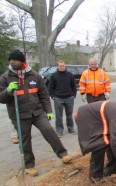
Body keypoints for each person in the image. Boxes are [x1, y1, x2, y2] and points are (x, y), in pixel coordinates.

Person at [0, 49, 72, 177]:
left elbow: (43, 95)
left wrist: (48, 111)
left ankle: (63, 154)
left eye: (15, 60)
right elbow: (1, 98)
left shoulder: (34, 76)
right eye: (10, 60)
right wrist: (8, 90)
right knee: (25, 140)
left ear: (22, 61)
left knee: (49, 131)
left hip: (37, 112)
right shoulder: (6, 77)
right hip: (19, 115)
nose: (12, 62)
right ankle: (29, 166)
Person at [48, 60, 77, 138]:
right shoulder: (54, 76)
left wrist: (74, 95)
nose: (62, 67)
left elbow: (74, 86)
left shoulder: (70, 75)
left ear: (65, 66)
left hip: (69, 98)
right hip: (58, 98)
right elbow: (50, 88)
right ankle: (59, 131)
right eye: (60, 66)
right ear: (57, 67)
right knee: (58, 116)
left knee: (69, 115)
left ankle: (71, 129)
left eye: (63, 66)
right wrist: (53, 96)